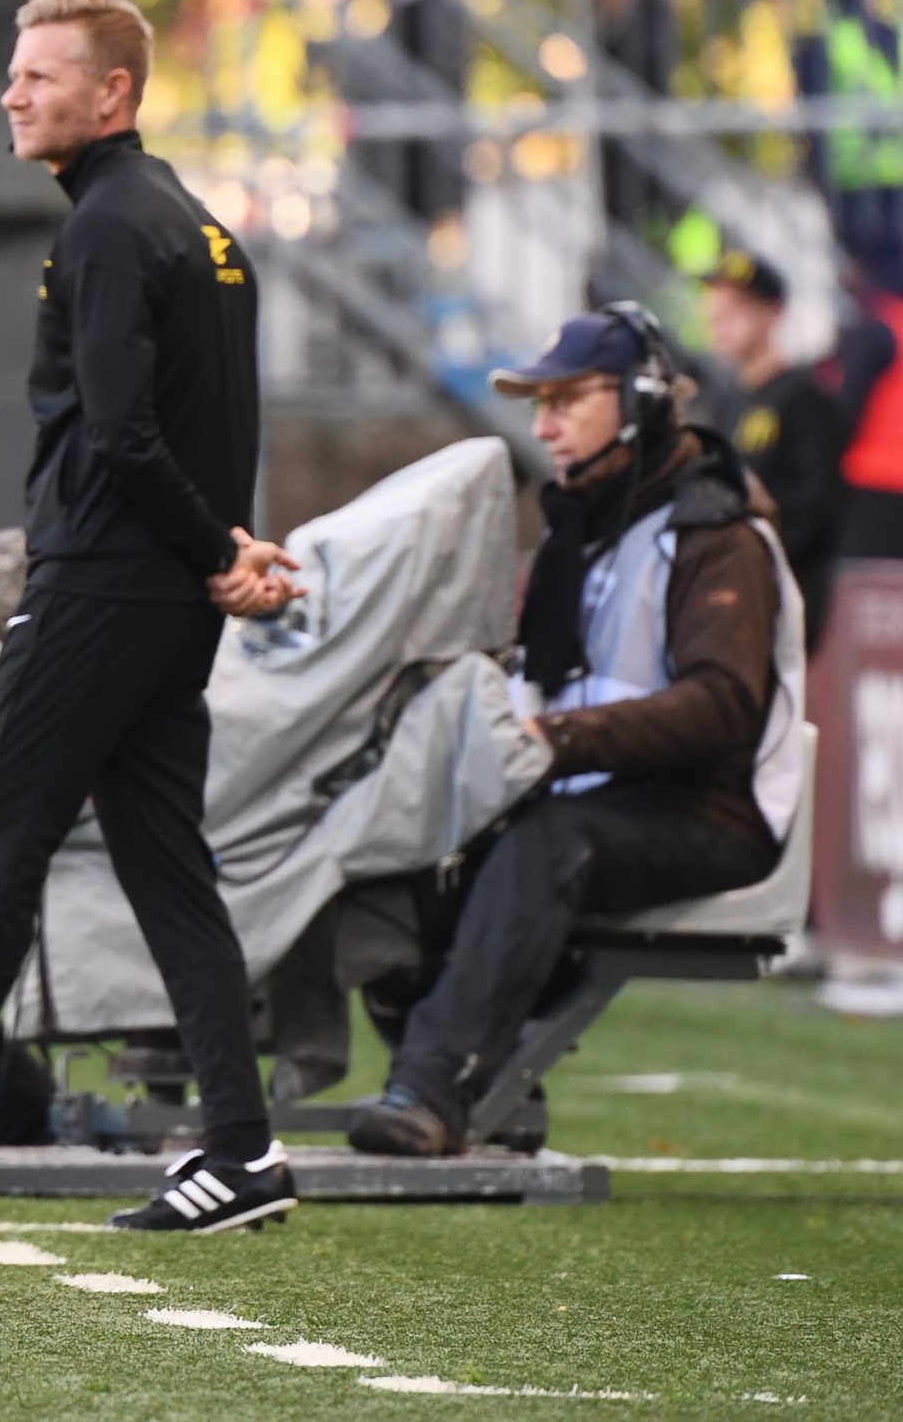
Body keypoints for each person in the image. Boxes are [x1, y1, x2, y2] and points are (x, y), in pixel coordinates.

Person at [0, 0, 304, 1235]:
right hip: (164, 599)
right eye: (13, 71)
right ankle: (244, 1152)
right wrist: (226, 549)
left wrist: (211, 547)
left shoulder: (102, 228)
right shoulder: (203, 230)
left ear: (115, 94)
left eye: (42, 74)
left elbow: (120, 432)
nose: (12, 92)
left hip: (98, 585)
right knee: (165, 868)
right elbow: (213, 434)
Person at [350, 306, 804, 1156]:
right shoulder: (590, 527)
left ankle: (433, 1086)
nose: (544, 424)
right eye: (538, 403)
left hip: (716, 812)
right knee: (415, 846)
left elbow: (722, 709)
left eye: (567, 399)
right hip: (607, 793)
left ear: (639, 402)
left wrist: (557, 737)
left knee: (547, 844)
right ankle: (482, 1081)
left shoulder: (717, 531)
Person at [700, 253, 847, 651]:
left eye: (734, 310)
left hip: (782, 589)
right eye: (714, 309)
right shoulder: (727, 402)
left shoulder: (802, 396)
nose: (718, 321)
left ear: (772, 313)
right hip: (728, 587)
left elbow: (816, 504)